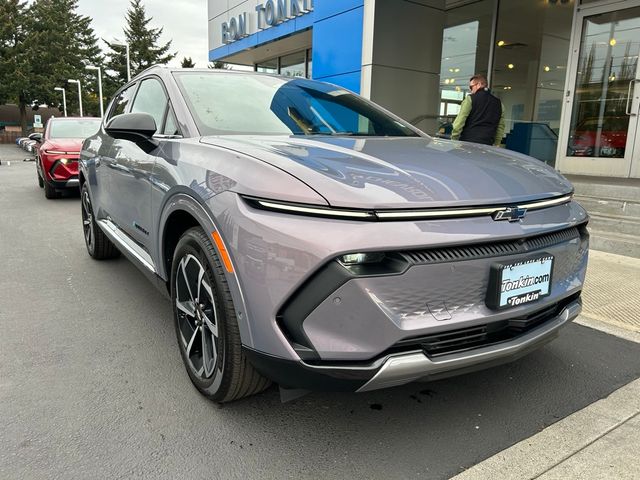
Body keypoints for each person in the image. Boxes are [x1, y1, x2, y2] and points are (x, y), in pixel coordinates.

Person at [451, 74, 505, 146]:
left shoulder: (470, 99)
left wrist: (454, 139)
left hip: (468, 144)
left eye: (471, 87)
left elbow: (459, 122)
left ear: (479, 84)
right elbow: (500, 127)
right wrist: (497, 143)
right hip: (488, 144)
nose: (471, 90)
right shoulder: (499, 103)